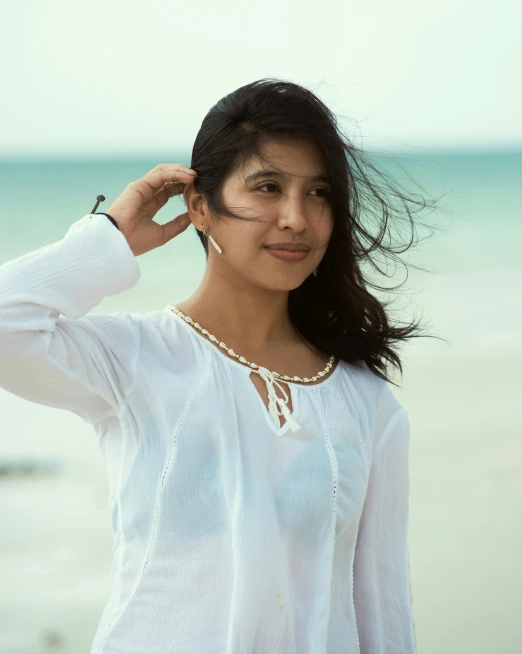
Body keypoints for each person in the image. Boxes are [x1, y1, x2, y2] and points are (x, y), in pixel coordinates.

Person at [0, 78, 428, 653]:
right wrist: (109, 239)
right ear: (199, 205)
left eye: (319, 193)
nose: (297, 218)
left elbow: (383, 613)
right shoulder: (136, 359)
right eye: (268, 187)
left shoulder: (368, 404)